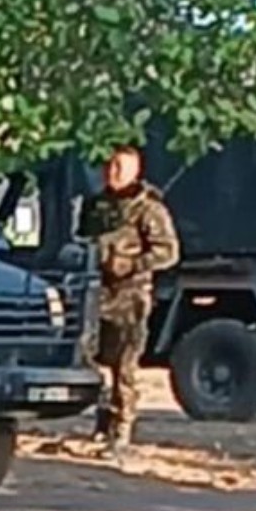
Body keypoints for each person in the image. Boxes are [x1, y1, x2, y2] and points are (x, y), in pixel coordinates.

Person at [77, 143, 179, 451]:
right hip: (97, 295)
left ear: (136, 171)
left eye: (121, 167)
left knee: (124, 367)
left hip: (130, 297)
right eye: (110, 166)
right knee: (92, 360)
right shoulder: (96, 205)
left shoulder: (148, 209)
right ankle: (101, 424)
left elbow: (168, 252)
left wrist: (131, 265)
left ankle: (121, 430)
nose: (114, 172)